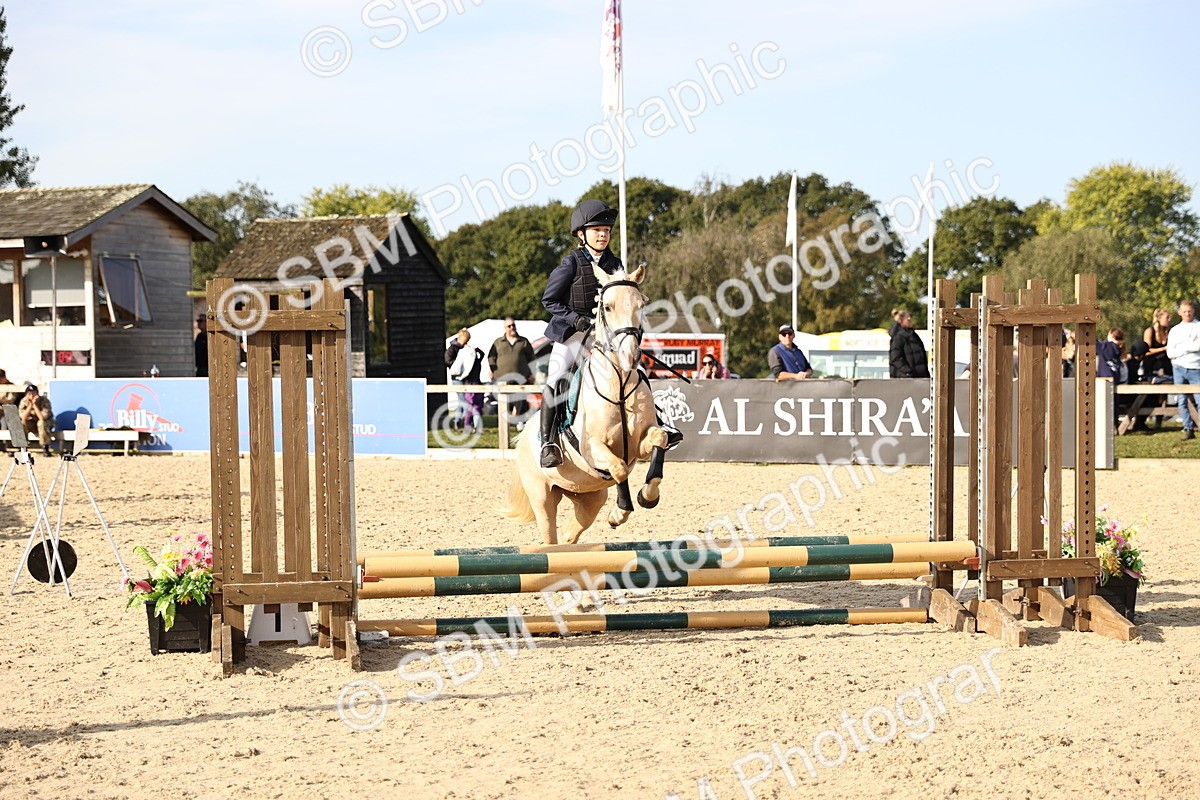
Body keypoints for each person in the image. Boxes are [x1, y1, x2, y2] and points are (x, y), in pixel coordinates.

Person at [538, 199, 624, 467]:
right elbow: (549, 301)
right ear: (581, 234)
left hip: (604, 336)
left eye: (607, 231)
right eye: (597, 230)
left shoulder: (615, 264)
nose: (603, 235)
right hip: (572, 335)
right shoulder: (571, 263)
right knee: (556, 377)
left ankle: (654, 423)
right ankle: (548, 442)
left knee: (632, 370)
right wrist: (576, 320)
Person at [488, 317, 535, 423]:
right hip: (502, 377)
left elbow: (532, 358)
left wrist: (532, 374)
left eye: (513, 325)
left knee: (521, 401)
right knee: (505, 402)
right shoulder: (498, 342)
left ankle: (519, 422)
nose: (512, 327)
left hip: (521, 377)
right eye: (509, 326)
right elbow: (491, 357)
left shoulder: (523, 341)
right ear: (505, 328)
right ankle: (506, 422)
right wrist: (493, 369)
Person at [1166, 299, 1200, 441]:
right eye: (1184, 311)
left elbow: (1198, 347)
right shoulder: (1175, 330)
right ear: (1180, 312)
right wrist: (1188, 346)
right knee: (1181, 399)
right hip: (1178, 368)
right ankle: (1188, 428)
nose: (1187, 314)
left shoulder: (1198, 326)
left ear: (1193, 311)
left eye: (1189, 311)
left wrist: (1181, 347)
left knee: (1199, 399)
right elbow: (1170, 353)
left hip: (1195, 367)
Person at [448, 329, 484, 434]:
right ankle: (464, 424)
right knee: (465, 404)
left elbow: (481, 355)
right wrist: (458, 366)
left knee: (466, 404)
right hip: (459, 379)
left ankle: (463, 423)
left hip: (468, 382)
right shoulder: (453, 349)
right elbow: (449, 362)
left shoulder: (468, 352)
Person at [888, 308, 930, 378]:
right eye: (908, 318)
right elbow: (895, 358)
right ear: (901, 321)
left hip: (919, 377)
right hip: (905, 378)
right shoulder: (898, 337)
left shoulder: (913, 335)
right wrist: (908, 372)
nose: (910, 320)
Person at [18, 383, 55, 456]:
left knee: (41, 423)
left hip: (45, 424)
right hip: (32, 423)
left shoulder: (44, 401)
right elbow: (23, 417)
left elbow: (42, 418)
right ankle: (23, 447)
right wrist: (30, 405)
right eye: (29, 394)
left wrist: (34, 405)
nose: (31, 396)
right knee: (22, 423)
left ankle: (45, 447)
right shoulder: (24, 401)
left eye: (34, 394)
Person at [1143, 308, 1173, 381]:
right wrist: (1163, 349)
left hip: (1166, 366)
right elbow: (1146, 351)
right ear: (1159, 318)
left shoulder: (1169, 332)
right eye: (1167, 317)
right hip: (1152, 366)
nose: (1169, 319)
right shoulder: (1150, 331)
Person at [194, 313, 209, 377]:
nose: (199, 323)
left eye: (201, 321)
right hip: (200, 368)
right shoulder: (199, 336)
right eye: (198, 321)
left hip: (209, 367)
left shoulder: (210, 337)